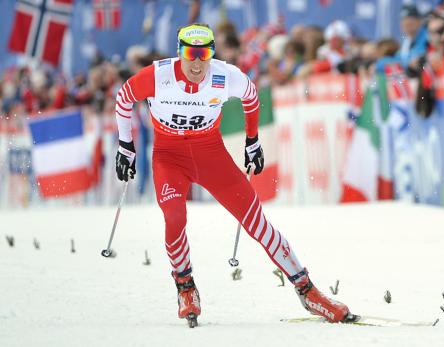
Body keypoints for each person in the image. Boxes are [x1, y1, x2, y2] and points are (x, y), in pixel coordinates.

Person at [113, 23, 352, 326]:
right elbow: (123, 99)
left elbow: (251, 98)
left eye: (204, 54)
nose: (198, 63)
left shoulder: (226, 76)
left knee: (257, 223)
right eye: (190, 54)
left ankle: (309, 292)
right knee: (174, 218)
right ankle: (185, 286)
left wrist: (252, 141)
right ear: (179, 53)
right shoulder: (158, 76)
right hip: (169, 157)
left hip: (210, 154)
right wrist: (126, 147)